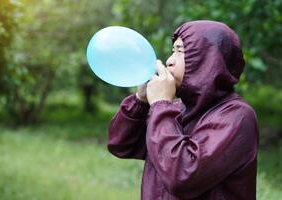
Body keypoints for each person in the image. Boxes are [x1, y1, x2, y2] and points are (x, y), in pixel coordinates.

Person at [107, 20, 259, 200]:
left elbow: (182, 176)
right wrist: (140, 101)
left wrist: (161, 104)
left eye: (181, 51)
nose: (169, 61)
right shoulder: (176, 110)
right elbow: (121, 145)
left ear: (209, 60)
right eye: (173, 51)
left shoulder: (236, 116)